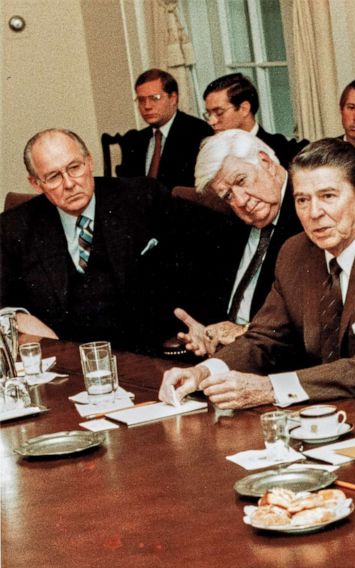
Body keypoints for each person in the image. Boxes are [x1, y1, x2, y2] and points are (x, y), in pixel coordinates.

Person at [158, 138, 355, 413]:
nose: (314, 214)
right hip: (344, 411)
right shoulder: (295, 252)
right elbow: (262, 339)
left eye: (328, 196)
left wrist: (270, 388)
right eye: (302, 200)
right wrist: (203, 372)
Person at [0, 129, 187, 352]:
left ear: (90, 162)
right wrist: (21, 318)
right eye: (53, 177)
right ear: (35, 183)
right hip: (65, 358)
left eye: (74, 168)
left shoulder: (142, 198)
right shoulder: (15, 227)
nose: (69, 184)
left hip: (141, 350)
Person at [171, 129, 303, 355]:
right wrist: (204, 331)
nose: (241, 201)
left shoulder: (307, 213)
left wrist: (245, 332)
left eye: (241, 180)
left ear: (266, 161)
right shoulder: (228, 223)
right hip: (226, 360)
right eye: (228, 196)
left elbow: (307, 325)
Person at [116, 68, 213, 189]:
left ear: (173, 98)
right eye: (141, 100)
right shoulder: (134, 140)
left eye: (154, 98)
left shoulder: (197, 132)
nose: (147, 106)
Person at [202, 73, 306, 167]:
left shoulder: (285, 151)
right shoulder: (208, 152)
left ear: (244, 109)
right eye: (209, 114)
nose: (211, 121)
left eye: (219, 113)